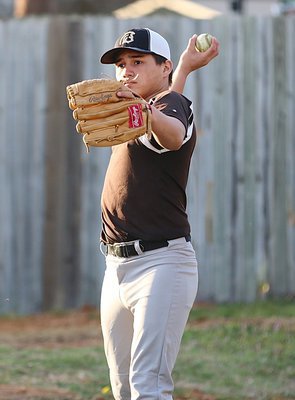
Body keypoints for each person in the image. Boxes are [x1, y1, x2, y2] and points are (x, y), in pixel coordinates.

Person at [99, 28, 219, 400]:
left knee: (147, 386)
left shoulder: (165, 107)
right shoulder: (142, 106)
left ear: (162, 66)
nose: (126, 71)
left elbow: (172, 131)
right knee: (122, 386)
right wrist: (182, 68)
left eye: (138, 61)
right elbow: (165, 99)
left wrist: (147, 105)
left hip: (160, 264)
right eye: (121, 64)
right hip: (116, 268)